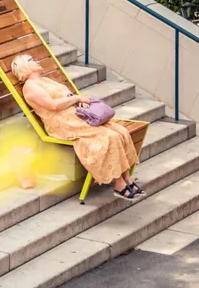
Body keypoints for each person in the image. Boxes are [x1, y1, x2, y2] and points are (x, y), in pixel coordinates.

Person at [9, 54, 143, 199]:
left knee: (121, 131)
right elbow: (52, 105)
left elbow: (66, 96)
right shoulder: (30, 87)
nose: (37, 60)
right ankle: (118, 183)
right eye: (32, 60)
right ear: (25, 68)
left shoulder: (44, 80)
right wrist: (77, 98)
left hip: (75, 115)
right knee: (110, 136)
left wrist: (81, 102)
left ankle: (126, 178)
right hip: (62, 123)